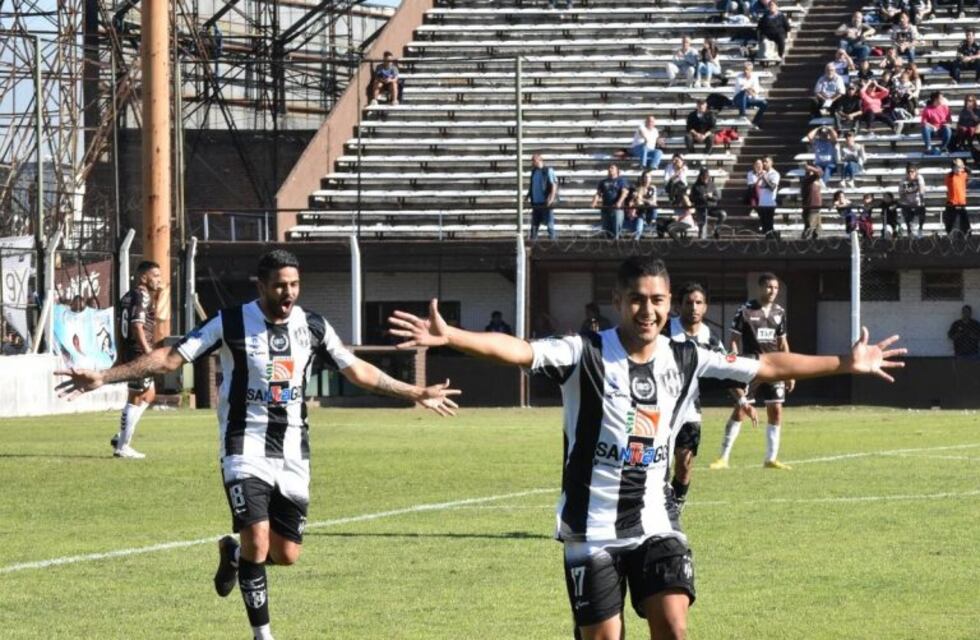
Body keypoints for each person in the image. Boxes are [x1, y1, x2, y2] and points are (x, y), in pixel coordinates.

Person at [387, 256, 905, 640]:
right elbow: (519, 351)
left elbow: (768, 366)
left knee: (675, 630)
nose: (648, 310)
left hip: (655, 521)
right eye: (637, 299)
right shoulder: (583, 352)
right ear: (618, 302)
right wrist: (454, 335)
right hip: (591, 531)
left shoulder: (687, 356)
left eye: (658, 300)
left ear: (670, 303)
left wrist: (845, 361)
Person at [55, 250, 461, 640]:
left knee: (286, 554)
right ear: (261, 286)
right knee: (259, 538)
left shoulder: (314, 326)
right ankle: (262, 634)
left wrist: (415, 392)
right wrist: (106, 377)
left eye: (295, 285)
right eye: (280, 285)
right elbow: (170, 358)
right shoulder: (230, 322)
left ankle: (233, 557)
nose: (288, 293)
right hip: (242, 446)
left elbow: (357, 371)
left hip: (292, 452)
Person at [710, 272, 796, 470]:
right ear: (760, 288)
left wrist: (790, 371)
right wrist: (734, 353)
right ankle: (723, 458)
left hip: (775, 368)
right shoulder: (745, 311)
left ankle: (771, 458)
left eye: (776, 288)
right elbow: (734, 337)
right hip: (751, 366)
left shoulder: (779, 312)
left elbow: (783, 342)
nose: (773, 291)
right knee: (741, 409)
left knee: (776, 410)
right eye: (769, 287)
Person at [665, 283, 728, 514]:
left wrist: (743, 401)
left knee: (684, 460)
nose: (694, 307)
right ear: (678, 306)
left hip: (690, 406)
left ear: (706, 307)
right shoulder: (664, 330)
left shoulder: (711, 338)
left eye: (699, 302)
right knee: (655, 463)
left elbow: (727, 369)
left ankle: (676, 505)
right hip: (658, 407)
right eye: (689, 302)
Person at [107, 260, 162, 459]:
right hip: (140, 352)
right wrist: (147, 352)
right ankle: (123, 446)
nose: (159, 280)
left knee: (149, 395)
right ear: (143, 277)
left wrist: (120, 354)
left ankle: (121, 436)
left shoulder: (127, 296)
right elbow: (137, 326)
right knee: (136, 396)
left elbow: (119, 327)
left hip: (131, 351)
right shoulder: (142, 297)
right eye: (155, 276)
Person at [593, 164, 630, 239]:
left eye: (612, 168)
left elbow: (625, 192)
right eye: (609, 168)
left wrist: (619, 202)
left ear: (617, 170)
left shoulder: (621, 180)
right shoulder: (603, 182)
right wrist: (594, 202)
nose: (610, 169)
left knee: (616, 228)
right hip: (605, 208)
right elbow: (598, 193)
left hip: (617, 209)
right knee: (606, 229)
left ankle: (616, 244)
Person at [689, 168, 727, 239]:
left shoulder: (712, 185)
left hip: (712, 207)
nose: (705, 180)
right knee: (702, 221)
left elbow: (717, 197)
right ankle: (701, 235)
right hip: (701, 208)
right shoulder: (695, 186)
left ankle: (717, 230)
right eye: (704, 178)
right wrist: (701, 197)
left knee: (723, 214)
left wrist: (711, 197)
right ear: (700, 177)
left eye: (707, 178)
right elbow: (691, 199)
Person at [527, 153, 558, 240]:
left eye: (534, 160)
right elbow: (532, 186)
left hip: (545, 203)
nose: (532, 163)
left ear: (539, 160)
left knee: (550, 226)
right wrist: (528, 196)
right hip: (536, 203)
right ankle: (532, 245)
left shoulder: (548, 171)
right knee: (534, 227)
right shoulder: (534, 172)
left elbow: (554, 185)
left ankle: (554, 245)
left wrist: (551, 198)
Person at [733, 62, 768, 128]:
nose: (745, 71)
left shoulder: (754, 77)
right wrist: (750, 89)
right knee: (744, 92)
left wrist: (751, 91)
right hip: (738, 99)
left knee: (764, 103)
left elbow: (756, 91)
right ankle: (742, 115)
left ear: (751, 70)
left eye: (747, 69)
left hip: (749, 99)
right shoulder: (739, 77)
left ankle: (755, 122)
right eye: (744, 69)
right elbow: (744, 89)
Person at [944, 158, 972, 235]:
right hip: (952, 204)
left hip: (962, 204)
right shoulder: (949, 176)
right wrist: (956, 165)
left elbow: (969, 171)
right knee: (951, 226)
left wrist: (962, 165)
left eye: (961, 167)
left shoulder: (963, 175)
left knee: (966, 227)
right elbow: (951, 174)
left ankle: (967, 239)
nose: (960, 169)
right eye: (958, 167)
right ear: (954, 168)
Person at [899, 163, 928, 237]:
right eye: (908, 172)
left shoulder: (919, 178)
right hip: (908, 202)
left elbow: (922, 191)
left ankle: (920, 229)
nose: (910, 173)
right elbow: (901, 193)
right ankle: (909, 231)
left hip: (918, 202)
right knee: (906, 214)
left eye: (912, 171)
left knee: (921, 212)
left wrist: (921, 202)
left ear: (916, 171)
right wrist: (906, 202)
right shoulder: (903, 179)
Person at [921, 91, 953, 155]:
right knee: (925, 128)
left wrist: (947, 124)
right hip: (932, 130)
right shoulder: (927, 109)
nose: (943, 99)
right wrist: (933, 127)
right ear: (935, 99)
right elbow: (923, 122)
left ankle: (943, 148)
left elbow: (949, 120)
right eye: (941, 98)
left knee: (948, 129)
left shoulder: (945, 107)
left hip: (942, 129)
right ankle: (928, 148)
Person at [756, 156, 780, 238]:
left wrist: (764, 178)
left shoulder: (774, 174)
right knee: (764, 226)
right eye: (763, 162)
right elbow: (759, 187)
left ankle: (774, 241)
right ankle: (767, 244)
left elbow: (772, 187)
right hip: (762, 203)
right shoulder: (763, 173)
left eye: (766, 161)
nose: (764, 163)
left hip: (769, 203)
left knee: (769, 225)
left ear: (771, 163)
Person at [631, 169, 659, 237]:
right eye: (645, 177)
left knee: (652, 208)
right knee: (640, 217)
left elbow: (653, 201)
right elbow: (637, 201)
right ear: (643, 178)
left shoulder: (653, 188)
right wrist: (645, 200)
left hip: (650, 210)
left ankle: (648, 223)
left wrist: (642, 199)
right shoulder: (638, 188)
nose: (647, 179)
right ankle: (636, 239)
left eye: (649, 177)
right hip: (641, 210)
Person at [800, 163, 824, 239]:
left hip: (816, 209)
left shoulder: (816, 181)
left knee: (817, 230)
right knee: (809, 230)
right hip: (810, 209)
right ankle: (803, 244)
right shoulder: (807, 180)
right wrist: (810, 168)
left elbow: (819, 173)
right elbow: (819, 173)